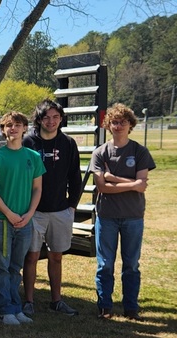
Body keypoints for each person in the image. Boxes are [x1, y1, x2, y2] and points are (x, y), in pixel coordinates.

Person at [89, 103, 155, 320]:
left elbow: (142, 185)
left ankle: (131, 307)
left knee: (131, 265)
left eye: (123, 122)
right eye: (114, 122)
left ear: (130, 125)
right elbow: (102, 187)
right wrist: (132, 184)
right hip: (106, 216)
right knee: (105, 264)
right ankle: (105, 306)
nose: (118, 126)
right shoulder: (100, 153)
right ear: (108, 125)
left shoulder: (139, 151)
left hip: (133, 216)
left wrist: (114, 178)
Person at [22, 99, 83, 317]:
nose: (51, 121)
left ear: (61, 119)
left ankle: (56, 300)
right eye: (46, 117)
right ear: (38, 120)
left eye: (56, 117)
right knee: (31, 256)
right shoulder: (28, 142)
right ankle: (28, 301)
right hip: (34, 211)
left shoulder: (68, 143)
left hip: (60, 211)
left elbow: (75, 177)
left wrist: (71, 207)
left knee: (56, 257)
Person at [0, 111, 45, 326]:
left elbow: (37, 188)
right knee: (2, 266)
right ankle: (4, 309)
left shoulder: (33, 157)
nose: (13, 129)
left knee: (16, 266)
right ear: (3, 130)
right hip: (3, 220)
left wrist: (28, 214)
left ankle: (16, 306)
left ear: (24, 129)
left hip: (25, 222)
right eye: (9, 125)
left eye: (17, 125)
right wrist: (9, 214)